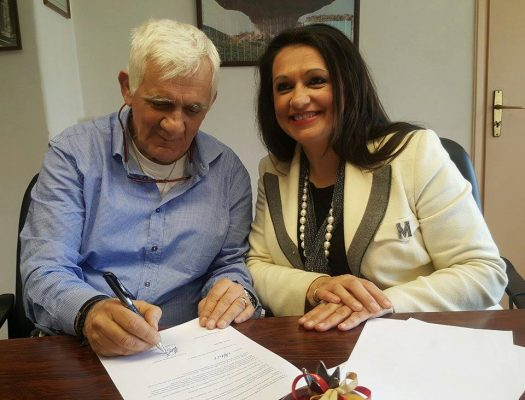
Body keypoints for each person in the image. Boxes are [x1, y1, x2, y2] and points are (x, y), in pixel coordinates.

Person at [20, 19, 260, 356]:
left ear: (211, 101)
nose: (174, 125)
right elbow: (44, 268)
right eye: (160, 103)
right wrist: (90, 312)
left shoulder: (228, 172)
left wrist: (234, 291)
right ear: (127, 87)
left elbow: (230, 263)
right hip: (82, 347)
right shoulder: (74, 154)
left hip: (187, 351)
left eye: (193, 109)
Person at [247, 24, 507, 332]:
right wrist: (314, 286)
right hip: (318, 344)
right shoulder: (273, 170)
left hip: (419, 337)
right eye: (284, 87)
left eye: (316, 81)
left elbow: (483, 271)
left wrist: (381, 304)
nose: (299, 99)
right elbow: (257, 265)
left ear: (349, 85)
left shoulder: (414, 151)